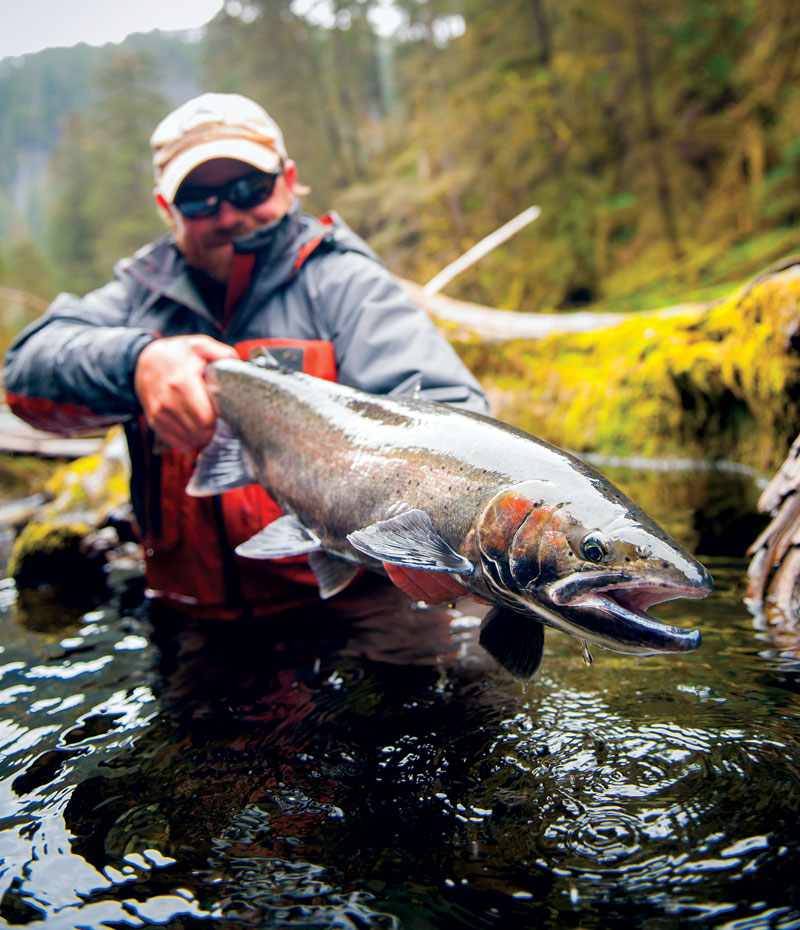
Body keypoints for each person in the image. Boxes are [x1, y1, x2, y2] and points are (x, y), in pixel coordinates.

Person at [3, 92, 490, 619]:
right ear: (167, 209)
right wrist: (137, 363)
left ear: (287, 180)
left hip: (359, 622)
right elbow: (27, 368)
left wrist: (434, 528)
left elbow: (456, 416)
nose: (229, 213)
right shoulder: (135, 299)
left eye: (249, 188)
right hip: (188, 626)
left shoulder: (345, 285)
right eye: (200, 199)